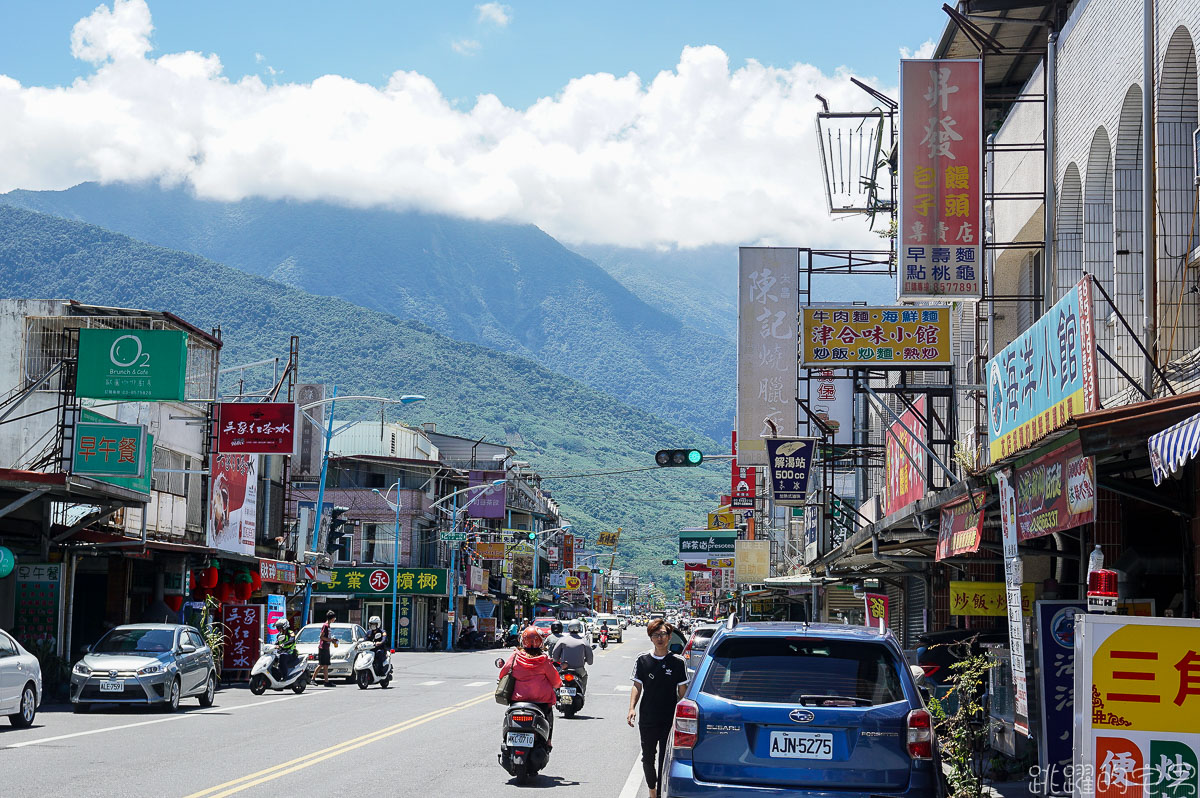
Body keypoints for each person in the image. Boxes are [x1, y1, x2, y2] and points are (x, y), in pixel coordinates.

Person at [627, 619, 688, 798]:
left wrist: (683, 716)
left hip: (669, 718)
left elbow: (682, 691)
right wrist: (632, 708)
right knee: (647, 757)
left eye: (662, 634)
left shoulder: (678, 662)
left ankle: (659, 793)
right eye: (655, 635)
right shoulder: (643, 660)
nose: (659, 638)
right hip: (648, 717)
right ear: (651, 638)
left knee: (664, 758)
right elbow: (637, 685)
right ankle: (652, 790)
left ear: (669, 637)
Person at [498, 627, 563, 746]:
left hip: (517, 700)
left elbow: (502, 674)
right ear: (541, 642)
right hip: (541, 702)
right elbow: (556, 681)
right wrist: (559, 685)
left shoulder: (515, 657)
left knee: (509, 716)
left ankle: (506, 739)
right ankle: (548, 741)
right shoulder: (544, 660)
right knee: (549, 715)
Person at [550, 620, 593, 694]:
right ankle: (582, 694)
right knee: (584, 676)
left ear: (569, 628)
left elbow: (555, 657)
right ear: (579, 628)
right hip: (579, 670)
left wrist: (561, 661)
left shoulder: (562, 640)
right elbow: (590, 661)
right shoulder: (583, 641)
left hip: (564, 669)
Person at [315, 610, 338, 686]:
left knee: (325, 665)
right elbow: (321, 637)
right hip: (323, 647)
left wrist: (332, 640)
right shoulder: (325, 626)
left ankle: (326, 681)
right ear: (332, 618)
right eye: (334, 618)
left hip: (326, 647)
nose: (335, 619)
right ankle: (314, 679)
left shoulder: (328, 626)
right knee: (322, 664)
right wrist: (331, 640)